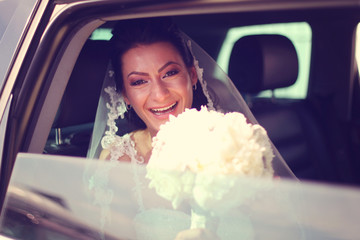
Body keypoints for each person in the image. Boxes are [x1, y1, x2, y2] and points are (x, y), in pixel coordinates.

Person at [86, 17, 297, 240]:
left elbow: (282, 230)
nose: (159, 94)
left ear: (192, 75)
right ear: (126, 96)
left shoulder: (235, 144)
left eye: (170, 73)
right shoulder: (120, 161)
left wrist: (269, 211)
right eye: (139, 81)